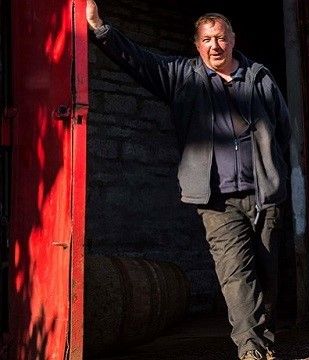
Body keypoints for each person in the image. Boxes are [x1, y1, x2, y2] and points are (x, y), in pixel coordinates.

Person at [86, 1, 289, 359]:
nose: (215, 45)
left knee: (267, 274)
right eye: (207, 39)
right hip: (216, 200)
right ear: (197, 45)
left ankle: (264, 343)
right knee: (236, 275)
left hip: (262, 196)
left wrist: (275, 173)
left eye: (221, 38)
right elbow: (138, 60)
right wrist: (101, 28)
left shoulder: (259, 77)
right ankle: (251, 351)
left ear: (233, 40)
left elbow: (283, 129)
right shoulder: (182, 76)